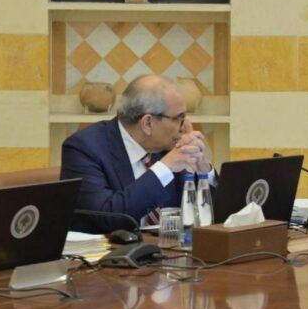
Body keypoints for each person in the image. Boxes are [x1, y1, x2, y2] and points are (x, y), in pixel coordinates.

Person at [61, 75, 214, 233]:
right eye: (179, 118)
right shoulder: (84, 148)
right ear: (148, 123)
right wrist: (165, 167)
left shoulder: (165, 146)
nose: (184, 126)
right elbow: (106, 217)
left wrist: (203, 168)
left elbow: (210, 216)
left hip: (167, 246)